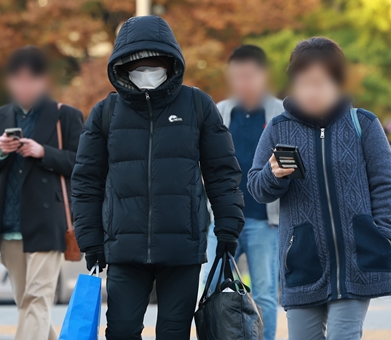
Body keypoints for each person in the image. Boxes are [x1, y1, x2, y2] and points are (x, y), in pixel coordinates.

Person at [72, 16, 245, 339]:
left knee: (173, 333)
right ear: (122, 67)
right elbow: (86, 181)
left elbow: (222, 172)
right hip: (124, 248)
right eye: (138, 64)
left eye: (155, 63)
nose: (147, 71)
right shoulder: (105, 113)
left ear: (171, 62)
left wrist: (228, 227)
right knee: (121, 332)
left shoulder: (198, 105)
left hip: (182, 247)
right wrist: (91, 239)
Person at [248, 37, 391, 340]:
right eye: (303, 83)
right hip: (302, 262)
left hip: (358, 258)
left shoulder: (364, 124)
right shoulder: (278, 128)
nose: (311, 91)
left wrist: (381, 236)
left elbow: (385, 184)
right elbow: (256, 188)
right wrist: (273, 173)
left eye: (319, 83)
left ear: (338, 82)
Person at [0, 46, 84, 340]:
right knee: (27, 303)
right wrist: (0, 152)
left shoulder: (65, 116)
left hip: (47, 222)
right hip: (7, 225)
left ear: (43, 81)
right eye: (18, 79)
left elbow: (83, 163)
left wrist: (44, 152)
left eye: (31, 79)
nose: (24, 86)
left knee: (37, 300)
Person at [205, 44, 282, 340]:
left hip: (266, 219)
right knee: (212, 288)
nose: (243, 83)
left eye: (249, 76)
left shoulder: (281, 112)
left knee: (264, 294)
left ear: (263, 76)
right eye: (237, 76)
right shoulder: (220, 111)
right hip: (222, 220)